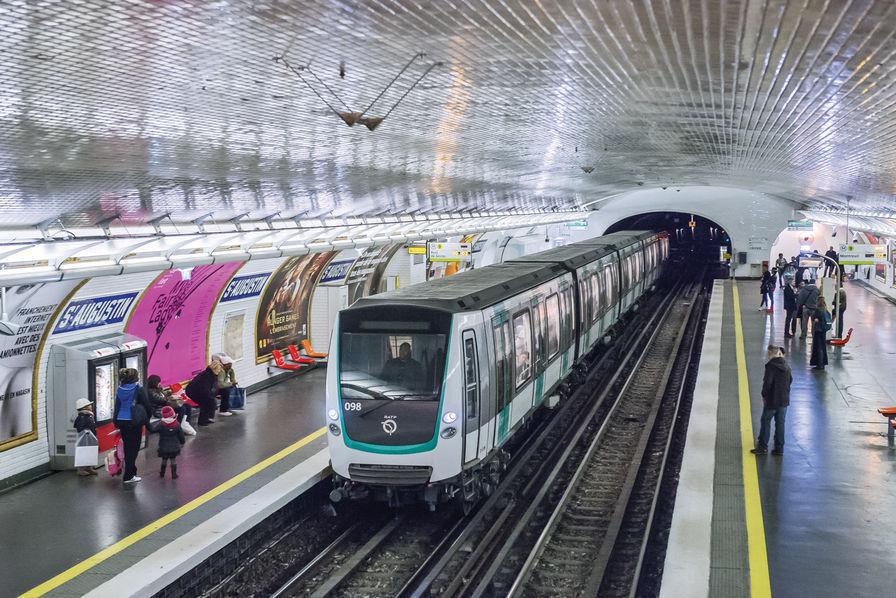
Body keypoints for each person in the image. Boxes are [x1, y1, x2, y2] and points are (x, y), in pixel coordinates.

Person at [113, 368, 152, 484]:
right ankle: (128, 475)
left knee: (127, 447)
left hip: (122, 421)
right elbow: (147, 405)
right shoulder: (138, 389)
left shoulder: (120, 389)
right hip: (134, 421)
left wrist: (116, 421)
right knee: (133, 449)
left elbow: (117, 406)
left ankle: (132, 472)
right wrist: (146, 418)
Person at [751, 345, 792, 456]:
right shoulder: (787, 365)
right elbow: (790, 380)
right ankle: (779, 448)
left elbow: (767, 384)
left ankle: (763, 446)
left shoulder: (770, 366)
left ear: (771, 354)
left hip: (772, 400)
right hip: (784, 400)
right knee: (780, 424)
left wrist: (764, 395)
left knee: (765, 421)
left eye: (768, 354)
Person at [186, 361, 221, 426]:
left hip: (199, 391)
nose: (219, 370)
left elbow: (214, 386)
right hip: (193, 391)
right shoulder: (207, 375)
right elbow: (205, 389)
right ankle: (202, 421)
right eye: (218, 369)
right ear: (214, 368)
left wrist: (213, 395)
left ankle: (206, 418)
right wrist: (210, 396)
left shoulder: (212, 374)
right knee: (206, 402)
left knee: (209, 401)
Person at [155, 406, 185, 479]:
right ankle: (174, 474)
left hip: (163, 446)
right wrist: (182, 442)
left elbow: (153, 430)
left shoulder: (161, 424)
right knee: (173, 460)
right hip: (174, 446)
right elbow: (181, 435)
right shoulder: (177, 424)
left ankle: (162, 473)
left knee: (164, 459)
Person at [73, 398, 98, 476]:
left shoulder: (88, 415)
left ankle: (89, 467)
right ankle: (81, 469)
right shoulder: (83, 417)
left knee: (90, 451)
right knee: (83, 452)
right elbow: (80, 428)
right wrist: (86, 433)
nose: (90, 406)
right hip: (85, 437)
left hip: (90, 437)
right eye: (89, 405)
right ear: (84, 407)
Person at [810, 295, 831, 370]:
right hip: (824, 330)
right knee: (823, 347)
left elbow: (812, 317)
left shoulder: (817, 310)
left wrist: (815, 319)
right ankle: (823, 363)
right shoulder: (826, 309)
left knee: (818, 347)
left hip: (818, 330)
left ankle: (819, 364)